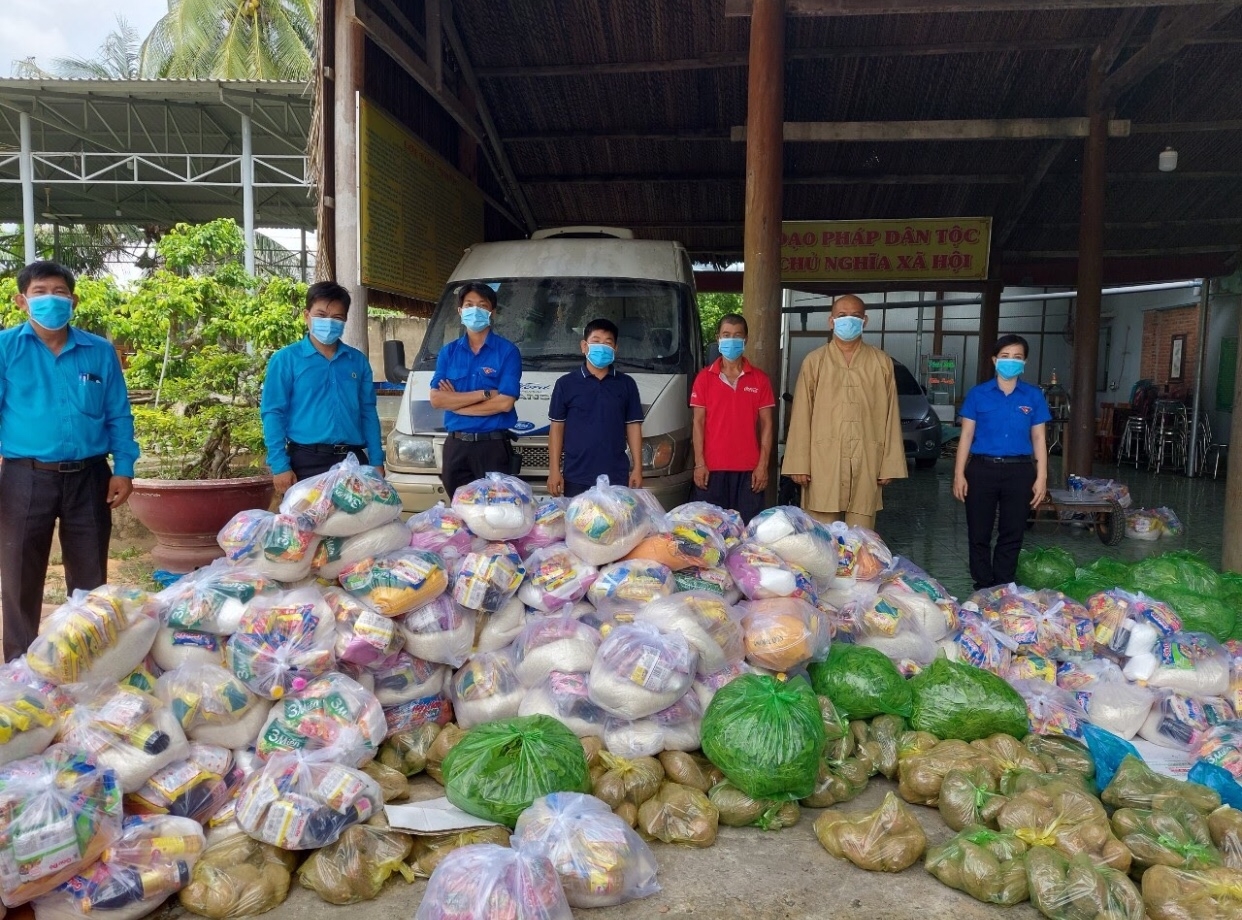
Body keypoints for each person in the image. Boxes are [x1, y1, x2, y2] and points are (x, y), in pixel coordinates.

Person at [0, 261, 140, 661]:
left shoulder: (98, 351)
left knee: (90, 579)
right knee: (20, 576)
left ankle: (88, 660)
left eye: (59, 292)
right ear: (21, 300)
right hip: (25, 477)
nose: (50, 300)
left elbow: (118, 413)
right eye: (40, 292)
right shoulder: (6, 349)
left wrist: (125, 467)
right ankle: (20, 669)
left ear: (73, 300)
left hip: (90, 477)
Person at [781, 294, 906, 529]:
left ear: (865, 320)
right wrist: (798, 463)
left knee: (861, 542)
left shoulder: (881, 362)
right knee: (821, 540)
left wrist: (889, 464)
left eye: (855, 316)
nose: (848, 320)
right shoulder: (814, 361)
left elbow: (891, 414)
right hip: (822, 463)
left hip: (867, 460)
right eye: (842, 316)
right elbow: (800, 414)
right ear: (831, 321)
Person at [261, 281, 385, 490]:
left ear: (345, 320)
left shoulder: (357, 361)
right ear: (306, 315)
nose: (329, 322)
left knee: (360, 522)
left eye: (337, 317)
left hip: (353, 462)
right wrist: (280, 465)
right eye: (321, 315)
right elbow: (273, 413)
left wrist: (376, 460)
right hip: (306, 462)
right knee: (308, 521)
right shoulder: (286, 360)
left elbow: (368, 412)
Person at [953, 334, 1051, 591]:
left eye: (1017, 357)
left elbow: (1039, 437)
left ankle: (1004, 584)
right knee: (979, 531)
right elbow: (966, 435)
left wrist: (1041, 476)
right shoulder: (978, 394)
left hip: (1019, 471)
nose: (1011, 362)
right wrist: (959, 474)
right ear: (995, 360)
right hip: (981, 469)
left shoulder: (1033, 396)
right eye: (1005, 356)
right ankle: (983, 584)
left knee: (1013, 531)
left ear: (1025, 362)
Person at [428, 282, 521, 498]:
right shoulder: (448, 353)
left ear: (492, 312)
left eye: (482, 305)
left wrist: (457, 403)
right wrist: (485, 394)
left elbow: (505, 403)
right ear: (460, 311)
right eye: (469, 305)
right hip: (456, 447)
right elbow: (436, 399)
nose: (475, 310)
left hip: (493, 447)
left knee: (495, 515)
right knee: (460, 513)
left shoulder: (508, 352)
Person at [689, 313, 775, 522]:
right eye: (726, 335)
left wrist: (762, 465)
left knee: (747, 533)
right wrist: (699, 463)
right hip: (712, 469)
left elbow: (767, 425)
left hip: (749, 471)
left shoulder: (760, 379)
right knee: (711, 534)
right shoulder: (704, 378)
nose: (731, 340)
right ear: (718, 338)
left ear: (745, 340)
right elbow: (698, 423)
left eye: (737, 335)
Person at [546, 318, 644, 498]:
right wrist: (554, 470)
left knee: (615, 524)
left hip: (616, 475)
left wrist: (637, 467)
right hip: (576, 475)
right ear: (584, 346)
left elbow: (633, 426)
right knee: (577, 523)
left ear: (615, 349)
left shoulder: (626, 384)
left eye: (608, 343)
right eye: (596, 341)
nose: (602, 347)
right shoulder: (565, 384)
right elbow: (557, 429)